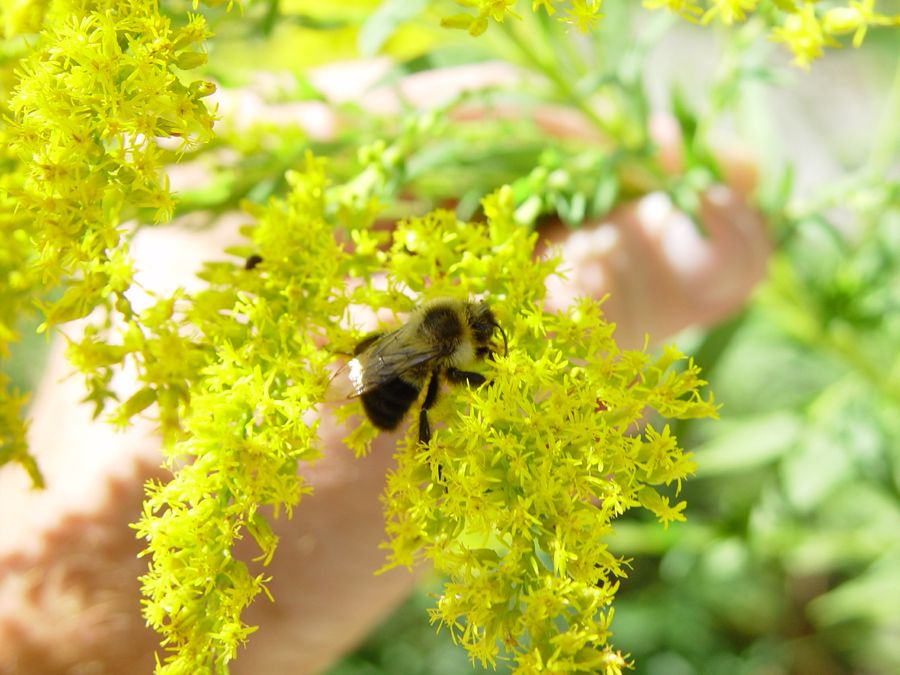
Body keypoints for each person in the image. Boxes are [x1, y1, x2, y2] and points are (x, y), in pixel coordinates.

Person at [0, 61, 768, 674]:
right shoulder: (438, 330)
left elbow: (382, 350)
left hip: (370, 375)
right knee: (435, 399)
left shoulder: (424, 319)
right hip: (367, 394)